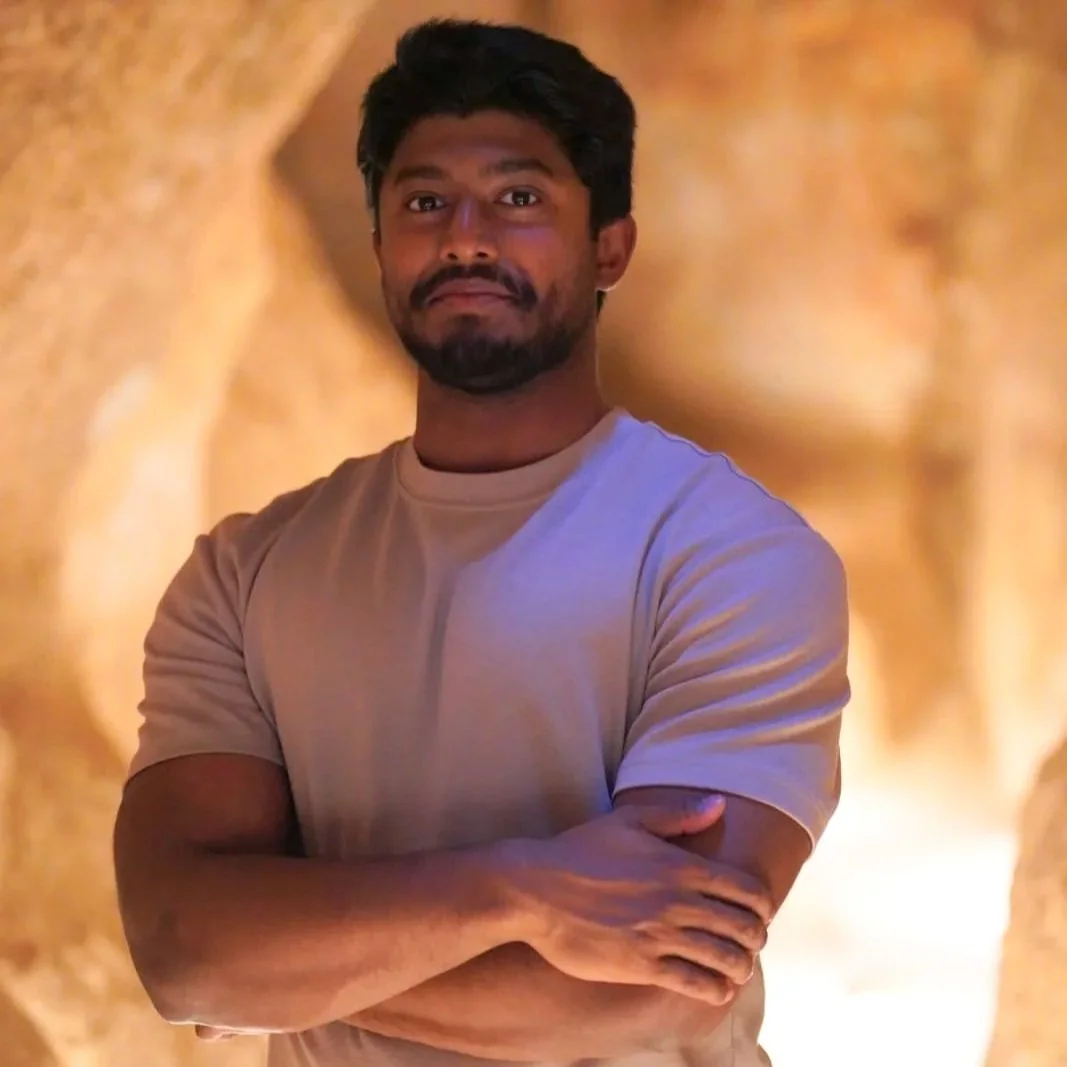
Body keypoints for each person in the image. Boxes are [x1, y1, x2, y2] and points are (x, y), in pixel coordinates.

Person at [113, 18, 850, 1067]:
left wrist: (287, 963)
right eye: (422, 201)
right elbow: (184, 950)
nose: (464, 235)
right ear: (379, 242)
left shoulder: (728, 554)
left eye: (517, 197)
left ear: (609, 247)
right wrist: (520, 889)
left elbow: (631, 1000)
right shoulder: (243, 574)